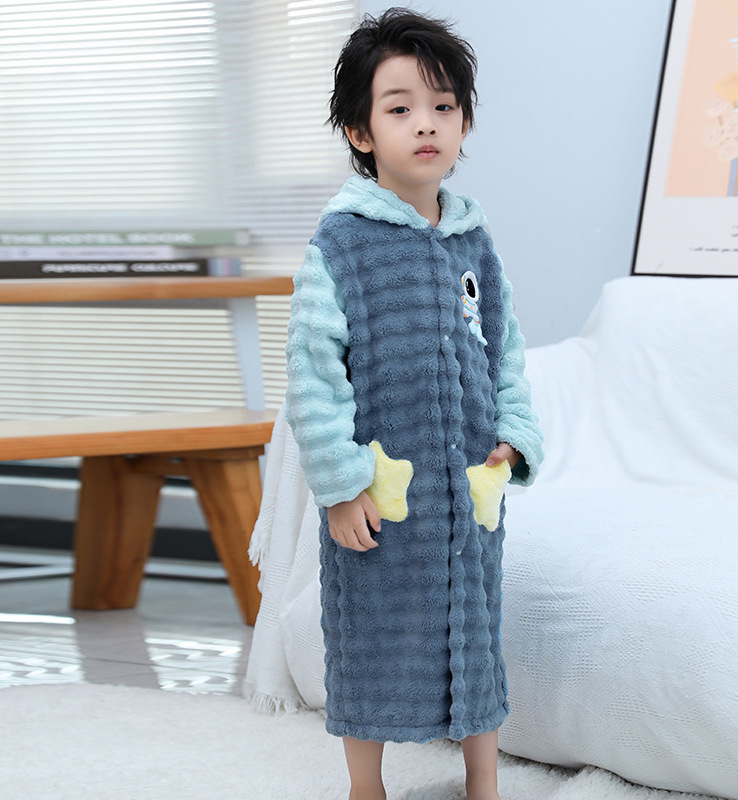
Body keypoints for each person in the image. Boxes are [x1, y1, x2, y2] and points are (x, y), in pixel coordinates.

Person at [284, 8, 544, 800]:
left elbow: (506, 349)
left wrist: (513, 436)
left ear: (463, 124)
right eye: (399, 108)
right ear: (360, 132)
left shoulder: (473, 243)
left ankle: (482, 779)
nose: (425, 123)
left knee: (476, 632)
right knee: (370, 633)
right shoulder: (342, 244)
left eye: (443, 106)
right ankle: (366, 785)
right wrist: (340, 485)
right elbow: (313, 375)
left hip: (467, 489)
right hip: (381, 488)